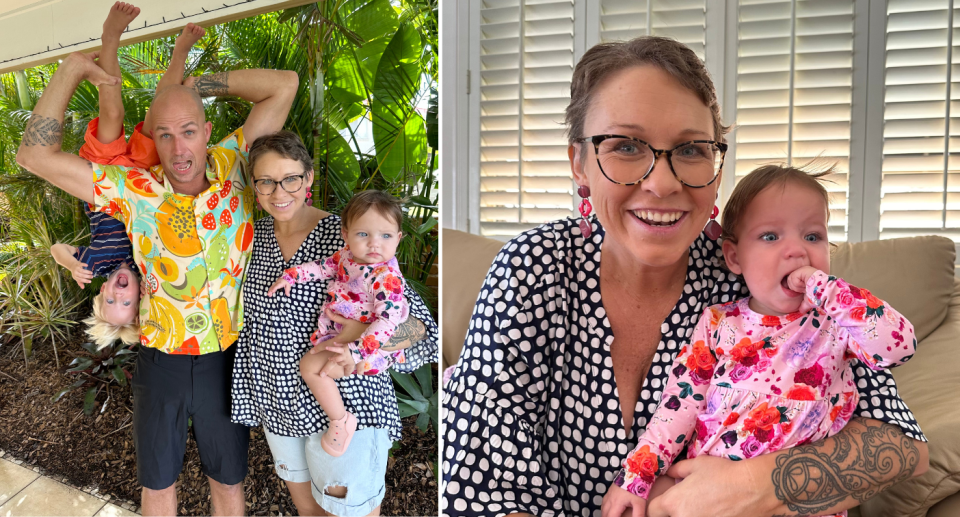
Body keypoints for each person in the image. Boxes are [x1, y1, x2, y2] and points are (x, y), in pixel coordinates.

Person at [441, 36, 929, 517]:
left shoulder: (753, 276)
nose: (662, 182)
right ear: (580, 164)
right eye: (627, 146)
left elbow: (903, 446)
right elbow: (483, 483)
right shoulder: (534, 268)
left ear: (716, 170)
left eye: (691, 149)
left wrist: (756, 485)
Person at [16, 6, 299, 513]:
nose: (177, 147)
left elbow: (285, 83)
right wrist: (69, 68)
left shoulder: (238, 161)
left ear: (207, 130)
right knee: (158, 486)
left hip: (226, 360)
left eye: (188, 130)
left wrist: (197, 81)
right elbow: (34, 158)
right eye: (163, 134)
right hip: (160, 359)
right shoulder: (132, 190)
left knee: (229, 482)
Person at [602, 165, 917, 517]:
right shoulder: (719, 322)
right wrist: (637, 475)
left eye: (813, 237)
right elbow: (679, 407)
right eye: (771, 237)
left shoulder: (837, 323)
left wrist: (830, 290)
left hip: (795, 500)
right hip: (705, 495)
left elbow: (898, 346)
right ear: (734, 257)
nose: (797, 251)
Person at [230, 131, 438, 516]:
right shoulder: (249, 238)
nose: (279, 192)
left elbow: (419, 330)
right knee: (310, 511)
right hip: (279, 403)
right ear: (253, 186)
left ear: (308, 178)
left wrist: (358, 337)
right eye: (266, 181)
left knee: (350, 512)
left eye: (290, 178)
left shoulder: (351, 235)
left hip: (350, 400)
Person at [47, 2, 207, 350]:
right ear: (140, 297)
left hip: (102, 179)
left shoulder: (96, 265)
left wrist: (71, 265)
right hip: (138, 176)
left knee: (113, 111)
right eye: (127, 303)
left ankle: (109, 38)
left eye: (110, 301)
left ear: (102, 290)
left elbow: (56, 248)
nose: (119, 296)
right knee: (158, 113)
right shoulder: (148, 265)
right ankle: (180, 51)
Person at [268, 189, 409, 457]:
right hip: (346, 338)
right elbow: (323, 267)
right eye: (363, 234)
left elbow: (388, 321)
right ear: (346, 234)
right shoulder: (346, 256)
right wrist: (293, 275)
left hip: (368, 347)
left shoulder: (385, 276)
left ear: (398, 238)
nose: (374, 244)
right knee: (316, 367)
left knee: (312, 367)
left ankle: (341, 420)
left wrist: (354, 350)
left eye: (386, 236)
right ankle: (338, 416)